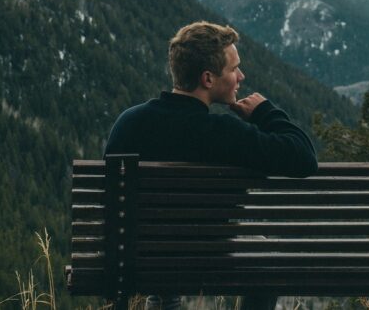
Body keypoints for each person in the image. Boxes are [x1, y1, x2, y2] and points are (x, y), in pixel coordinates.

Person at [104, 21, 318, 310]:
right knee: (268, 256)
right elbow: (304, 157)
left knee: (161, 251)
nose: (241, 76)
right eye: (233, 69)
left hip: (132, 258)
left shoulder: (129, 123)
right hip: (208, 257)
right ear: (208, 78)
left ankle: (165, 298)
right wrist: (265, 113)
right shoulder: (222, 133)